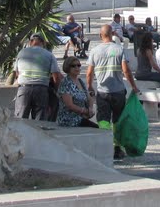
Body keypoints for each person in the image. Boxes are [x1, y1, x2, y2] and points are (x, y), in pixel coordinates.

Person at [86, 24, 141, 160]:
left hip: (102, 91)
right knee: (117, 120)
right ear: (112, 35)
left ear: (100, 35)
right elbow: (126, 71)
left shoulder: (95, 51)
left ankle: (105, 147)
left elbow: (89, 73)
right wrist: (133, 86)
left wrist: (89, 86)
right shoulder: (119, 49)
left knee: (103, 120)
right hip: (118, 92)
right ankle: (117, 148)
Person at [11, 33, 62, 120]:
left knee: (21, 119)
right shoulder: (49, 55)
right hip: (41, 90)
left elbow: (17, 73)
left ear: (30, 42)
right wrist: (56, 91)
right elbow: (56, 76)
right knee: (40, 121)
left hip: (24, 89)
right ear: (43, 43)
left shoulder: (21, 53)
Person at [57, 55, 98, 128]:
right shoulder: (66, 83)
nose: (77, 68)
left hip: (81, 117)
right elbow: (69, 105)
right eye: (73, 66)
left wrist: (90, 108)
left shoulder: (80, 81)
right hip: (69, 120)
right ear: (68, 68)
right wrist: (85, 111)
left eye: (78, 65)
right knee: (96, 128)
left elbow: (89, 98)